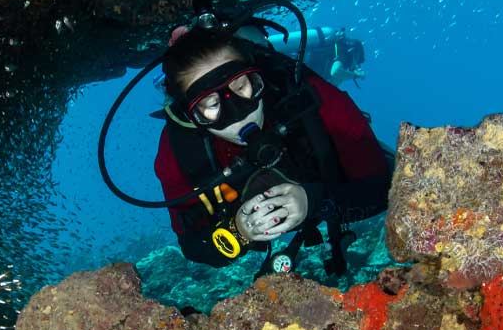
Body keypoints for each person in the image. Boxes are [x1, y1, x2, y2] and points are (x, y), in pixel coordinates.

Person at [152, 24, 392, 276]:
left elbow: (382, 188)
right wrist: (239, 232)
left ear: (259, 78)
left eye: (242, 86)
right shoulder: (178, 150)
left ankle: (333, 64)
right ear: (191, 117)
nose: (239, 114)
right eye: (211, 104)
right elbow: (192, 246)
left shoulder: (314, 96)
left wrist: (313, 201)